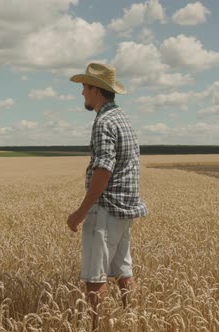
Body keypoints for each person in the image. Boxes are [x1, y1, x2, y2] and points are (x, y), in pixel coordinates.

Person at [67, 62, 148, 331]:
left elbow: (103, 169)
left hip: (105, 208)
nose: (82, 93)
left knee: (95, 274)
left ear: (96, 90)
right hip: (126, 209)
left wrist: (80, 212)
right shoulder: (123, 119)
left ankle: (95, 326)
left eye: (84, 87)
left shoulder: (103, 122)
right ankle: (134, 320)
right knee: (124, 271)